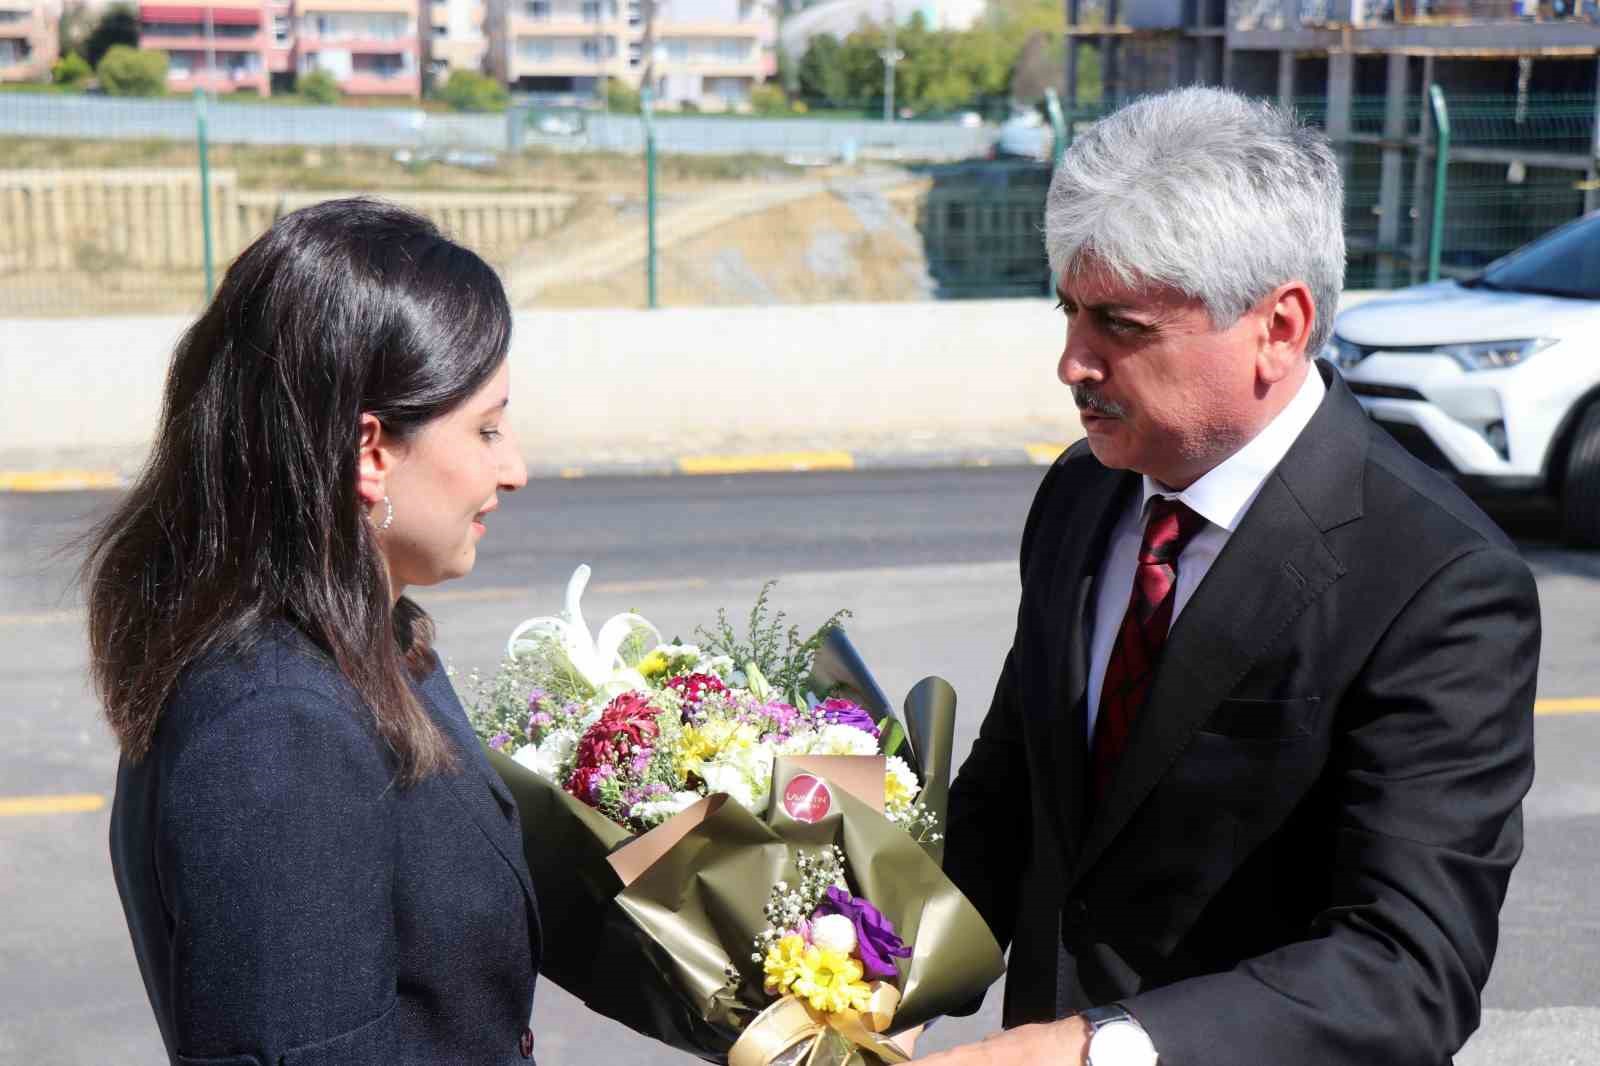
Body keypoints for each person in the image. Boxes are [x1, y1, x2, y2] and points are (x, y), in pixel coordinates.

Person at [927, 88, 1540, 1066]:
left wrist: (1091, 1052)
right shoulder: (1083, 494)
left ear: (1278, 326)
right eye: (1068, 313)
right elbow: (1010, 798)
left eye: (1120, 326)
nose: (1072, 363)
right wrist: (853, 971)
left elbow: (1406, 970)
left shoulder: (1439, 581)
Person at [86, 198, 540, 1065]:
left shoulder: (364, 638)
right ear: (371, 451)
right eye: (486, 429)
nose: (513, 467)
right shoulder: (275, 725)